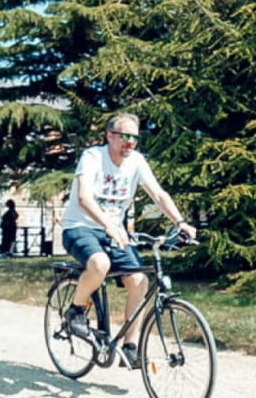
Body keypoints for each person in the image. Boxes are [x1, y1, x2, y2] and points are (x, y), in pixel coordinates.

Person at [59, 112, 195, 369]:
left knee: (139, 281)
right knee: (100, 264)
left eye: (134, 137)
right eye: (124, 136)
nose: (130, 142)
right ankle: (75, 310)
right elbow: (84, 198)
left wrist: (180, 222)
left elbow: (158, 194)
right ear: (110, 136)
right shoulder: (93, 157)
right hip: (80, 227)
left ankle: (130, 347)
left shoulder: (137, 161)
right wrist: (109, 225)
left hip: (114, 232)